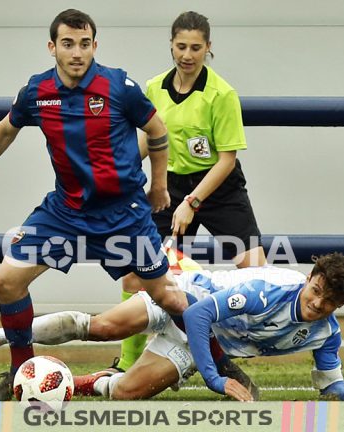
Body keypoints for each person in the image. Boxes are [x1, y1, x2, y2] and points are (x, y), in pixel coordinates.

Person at [0, 9, 189, 401]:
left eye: (84, 44)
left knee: (167, 296)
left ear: (95, 45)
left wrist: (159, 187)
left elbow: (157, 130)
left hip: (123, 213)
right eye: (67, 44)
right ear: (52, 48)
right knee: (6, 281)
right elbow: (4, 130)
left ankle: (219, 366)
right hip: (66, 211)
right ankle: (18, 373)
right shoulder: (37, 91)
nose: (76, 52)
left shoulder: (119, 86)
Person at [0, 252, 344, 402]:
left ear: (340, 305)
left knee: (127, 392)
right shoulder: (270, 291)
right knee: (104, 328)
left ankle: (70, 383)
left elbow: (331, 388)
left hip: (208, 344)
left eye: (328, 301)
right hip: (183, 298)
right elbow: (199, 315)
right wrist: (215, 379)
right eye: (315, 290)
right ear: (310, 278)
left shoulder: (326, 334)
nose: (316, 303)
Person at [115, 10, 267, 373]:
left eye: (195, 47)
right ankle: (127, 362)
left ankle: (227, 353)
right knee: (137, 271)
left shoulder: (222, 94)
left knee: (256, 271)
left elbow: (227, 160)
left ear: (208, 48)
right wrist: (119, 175)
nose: (187, 54)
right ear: (170, 45)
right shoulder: (153, 88)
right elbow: (149, 140)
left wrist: (192, 202)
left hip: (218, 186)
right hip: (168, 184)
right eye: (181, 46)